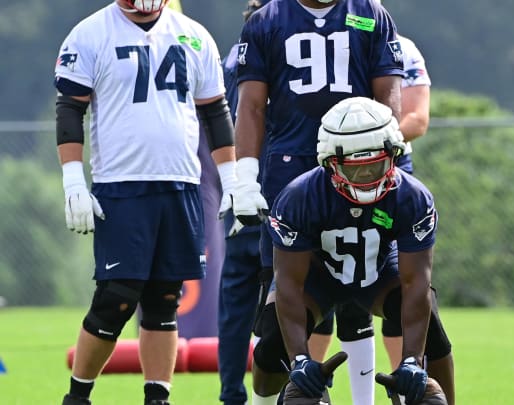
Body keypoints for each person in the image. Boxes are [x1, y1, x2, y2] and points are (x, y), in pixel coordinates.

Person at [55, 1, 245, 404]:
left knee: (164, 300)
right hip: (122, 185)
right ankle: (77, 398)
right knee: (115, 298)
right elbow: (71, 109)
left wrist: (232, 178)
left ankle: (158, 398)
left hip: (180, 184)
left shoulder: (193, 35)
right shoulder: (90, 33)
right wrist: (73, 180)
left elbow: (215, 112)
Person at [229, 1, 407, 404]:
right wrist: (245, 175)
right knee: (277, 312)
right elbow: (252, 105)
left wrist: (382, 157)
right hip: (289, 171)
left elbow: (388, 97)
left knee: (370, 291)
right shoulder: (267, 21)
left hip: (359, 169)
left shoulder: (370, 13)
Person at [258, 97, 455, 405]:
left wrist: (412, 362)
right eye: (356, 170)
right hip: (318, 276)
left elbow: (416, 283)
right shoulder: (299, 197)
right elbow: (289, 285)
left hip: (378, 272)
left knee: (433, 332)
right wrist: (299, 360)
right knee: (271, 343)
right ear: (330, 164)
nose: (368, 179)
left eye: (375, 165)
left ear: (394, 155)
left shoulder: (412, 197)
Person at [309, 22, 434, 372]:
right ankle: (305, 387)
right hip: (336, 171)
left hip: (390, 173)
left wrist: (367, 145)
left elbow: (418, 118)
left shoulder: (402, 47)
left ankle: (407, 379)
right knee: (320, 280)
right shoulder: (328, 44)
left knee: (398, 284)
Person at [216, 1, 268, 404]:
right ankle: (299, 390)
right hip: (276, 189)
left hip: (238, 188)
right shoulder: (272, 48)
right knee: (300, 298)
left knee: (236, 304)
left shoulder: (232, 57)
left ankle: (232, 395)